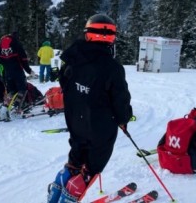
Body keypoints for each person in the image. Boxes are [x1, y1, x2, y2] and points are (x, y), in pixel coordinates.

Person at [47, 14, 133, 203]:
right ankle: (73, 192)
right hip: (100, 127)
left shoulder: (73, 56)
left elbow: (64, 81)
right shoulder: (112, 67)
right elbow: (120, 100)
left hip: (76, 121)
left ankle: (63, 180)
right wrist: (123, 119)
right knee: (94, 164)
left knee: (77, 155)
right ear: (111, 38)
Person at [0, 31, 36, 112]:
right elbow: (24, 59)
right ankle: (19, 105)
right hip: (17, 70)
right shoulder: (16, 44)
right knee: (22, 88)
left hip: (7, 71)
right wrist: (29, 71)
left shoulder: (1, 46)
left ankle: (6, 106)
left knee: (11, 90)